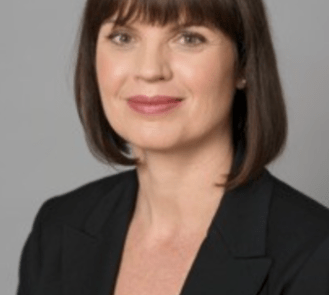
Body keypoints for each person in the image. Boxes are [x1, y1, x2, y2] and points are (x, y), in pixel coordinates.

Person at [17, 0, 329, 294]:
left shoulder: (316, 253)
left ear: (244, 63)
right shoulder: (57, 228)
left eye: (188, 38)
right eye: (124, 37)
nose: (150, 70)